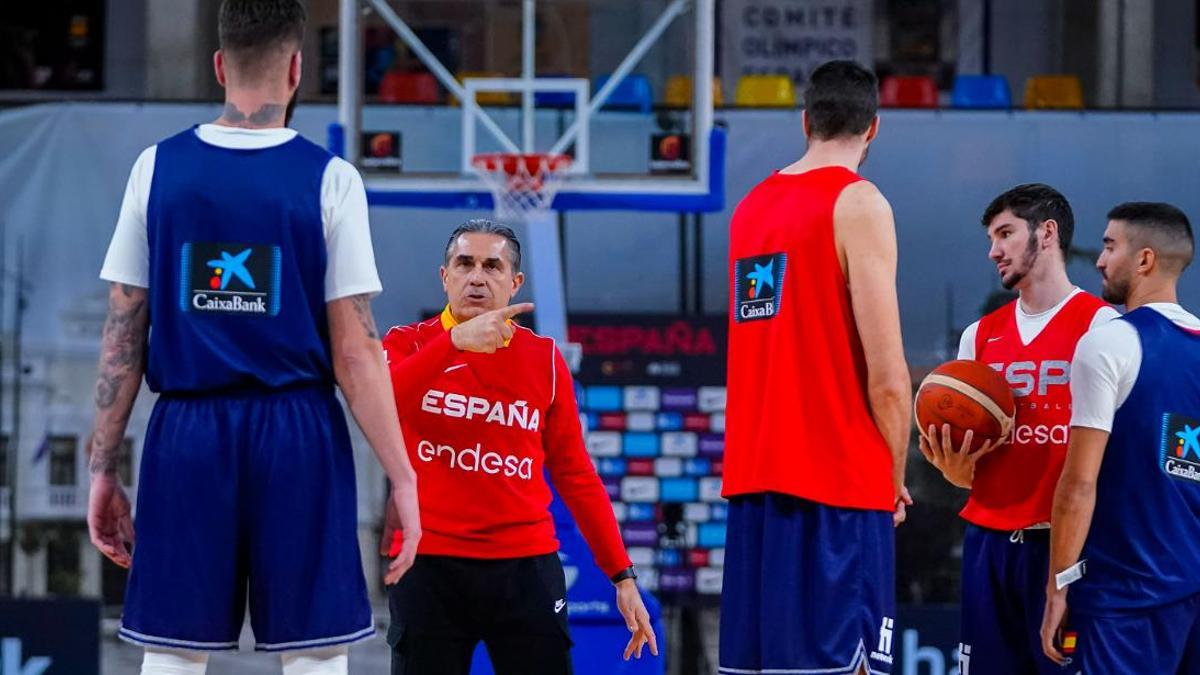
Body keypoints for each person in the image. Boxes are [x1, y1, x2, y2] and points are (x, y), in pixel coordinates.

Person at [86, 2, 421, 673]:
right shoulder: (332, 179)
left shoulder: (156, 168)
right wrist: (403, 478)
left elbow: (123, 329)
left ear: (218, 65)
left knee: (174, 656)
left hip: (187, 430)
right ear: (297, 67)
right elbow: (356, 351)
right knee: (316, 656)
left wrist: (102, 467)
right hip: (297, 429)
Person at [380, 220, 657, 674]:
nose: (477, 277)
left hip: (525, 567)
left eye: (493, 266)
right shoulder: (406, 343)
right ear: (445, 276)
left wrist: (622, 575)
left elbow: (575, 474)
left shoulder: (544, 359)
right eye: (464, 264)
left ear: (515, 282)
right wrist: (452, 344)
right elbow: (382, 406)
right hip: (427, 564)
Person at [719, 59, 912, 675]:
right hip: (837, 489)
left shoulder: (749, 208)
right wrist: (892, 477)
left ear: (804, 121)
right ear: (873, 129)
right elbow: (888, 375)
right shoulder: (860, 203)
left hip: (754, 496)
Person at [921, 184, 1116, 674]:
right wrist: (954, 468)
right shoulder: (979, 334)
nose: (994, 250)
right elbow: (971, 475)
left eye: (1005, 233)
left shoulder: (1103, 326)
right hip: (988, 543)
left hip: (1066, 547)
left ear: (1047, 233)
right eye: (991, 238)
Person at [1042, 202, 1200, 673]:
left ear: (1145, 259)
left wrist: (1058, 586)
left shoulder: (1108, 342)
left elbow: (1078, 485)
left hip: (1126, 596)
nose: (1099, 259)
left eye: (1111, 246)